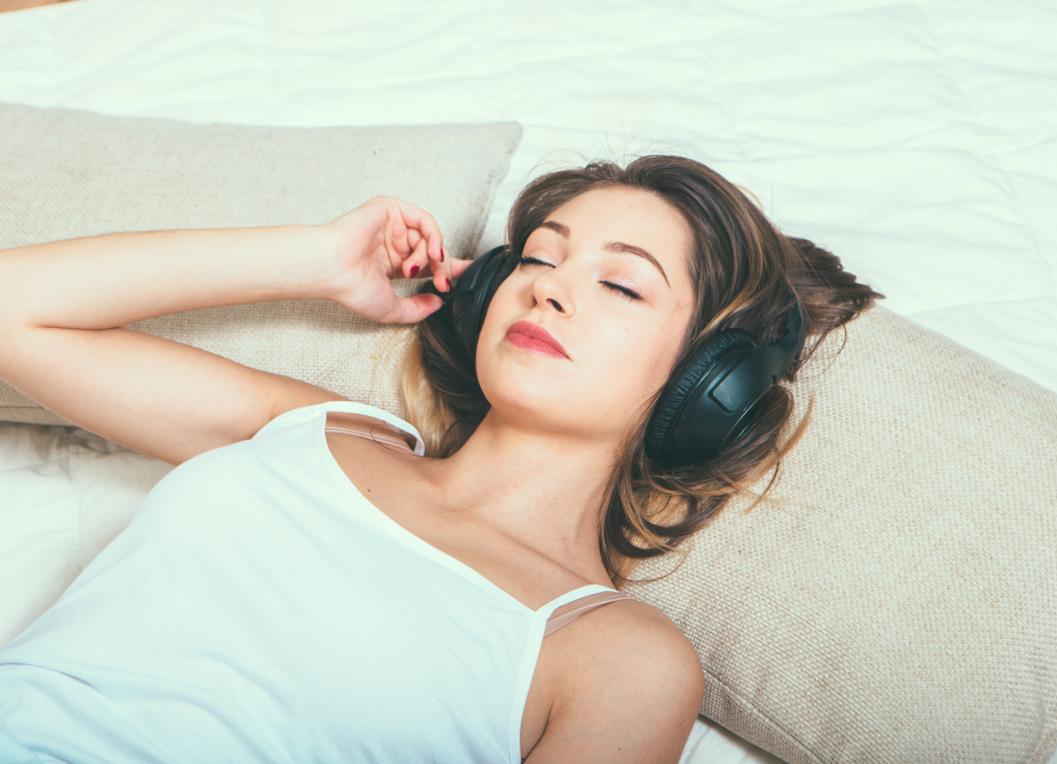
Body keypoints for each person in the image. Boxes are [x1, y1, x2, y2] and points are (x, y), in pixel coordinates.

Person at [0, 154, 884, 762]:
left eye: (620, 283)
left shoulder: (613, 656)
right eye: (538, 257)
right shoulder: (319, 429)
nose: (547, 286)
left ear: (707, 380)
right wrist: (315, 259)